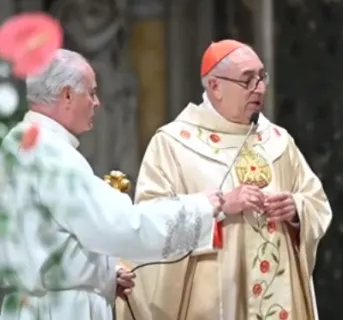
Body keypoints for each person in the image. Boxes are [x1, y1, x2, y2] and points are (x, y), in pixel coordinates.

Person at [117, 39, 332, 320]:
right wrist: (218, 208)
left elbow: (316, 200)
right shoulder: (173, 143)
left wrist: (297, 209)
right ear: (215, 86)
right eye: (248, 80)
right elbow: (150, 219)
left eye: (261, 77)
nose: (260, 88)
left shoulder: (278, 141)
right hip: (213, 301)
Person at [0, 49, 223, 320]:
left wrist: (104, 275)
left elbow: (54, 240)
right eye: (91, 93)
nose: (97, 103)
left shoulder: (20, 144)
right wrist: (201, 208)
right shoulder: (51, 154)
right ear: (67, 95)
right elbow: (121, 226)